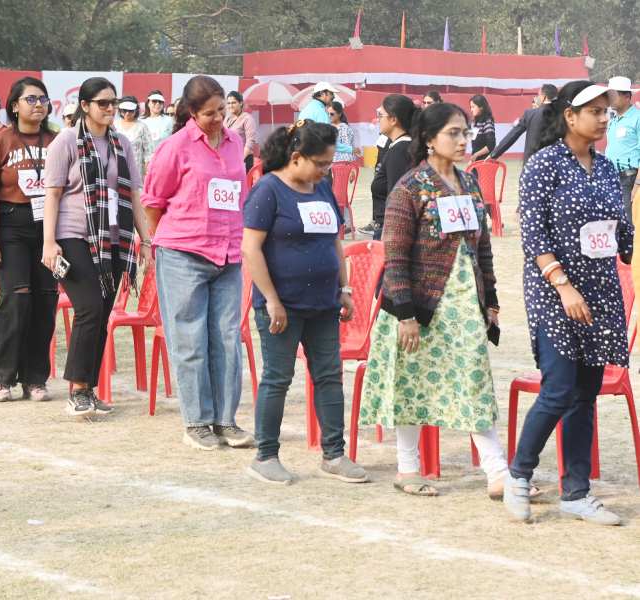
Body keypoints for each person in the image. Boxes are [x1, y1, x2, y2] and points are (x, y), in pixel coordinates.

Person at [360, 102, 509, 498]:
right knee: (410, 385)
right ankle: (408, 469)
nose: (463, 141)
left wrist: (490, 300)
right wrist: (406, 314)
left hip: (465, 303)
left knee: (474, 379)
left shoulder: (471, 183)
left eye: (466, 133)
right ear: (429, 139)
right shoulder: (410, 187)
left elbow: (483, 250)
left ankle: (498, 473)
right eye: (454, 134)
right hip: (420, 307)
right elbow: (394, 254)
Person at [505, 81, 633, 526]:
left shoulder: (607, 166)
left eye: (606, 111)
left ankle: (577, 492)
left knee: (585, 395)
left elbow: (619, 232)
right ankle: (518, 475)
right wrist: (562, 284)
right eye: (594, 111)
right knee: (558, 389)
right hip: (554, 292)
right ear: (569, 116)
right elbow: (534, 235)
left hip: (600, 292)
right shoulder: (543, 165)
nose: (603, 118)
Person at [242, 119, 366, 484]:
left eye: (329, 164)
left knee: (329, 376)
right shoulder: (268, 191)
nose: (326, 171)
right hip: (282, 305)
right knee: (278, 378)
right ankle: (265, 456)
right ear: (296, 157)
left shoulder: (322, 188)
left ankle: (334, 454)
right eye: (321, 163)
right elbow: (252, 248)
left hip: (323, 303)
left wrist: (345, 290)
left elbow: (334, 242)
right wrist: (272, 300)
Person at [143, 75, 254, 450]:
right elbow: (153, 201)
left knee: (227, 339)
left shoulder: (236, 142)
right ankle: (197, 421)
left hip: (228, 254)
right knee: (189, 340)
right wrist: (169, 241)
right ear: (192, 113)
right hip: (183, 254)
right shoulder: (175, 147)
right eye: (209, 113)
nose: (219, 118)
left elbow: (239, 192)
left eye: (223, 110)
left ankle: (226, 419)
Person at [42, 77, 152, 416]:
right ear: (85, 106)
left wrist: (145, 240)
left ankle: (89, 387)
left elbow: (133, 193)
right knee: (89, 308)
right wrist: (48, 242)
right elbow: (53, 193)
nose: (110, 109)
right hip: (74, 235)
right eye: (102, 103)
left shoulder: (122, 143)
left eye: (113, 103)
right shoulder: (66, 141)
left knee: (103, 313)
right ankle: (78, 388)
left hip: (114, 241)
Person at [0, 77, 60, 401]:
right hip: (11, 227)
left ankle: (35, 378)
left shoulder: (57, 141)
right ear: (14, 105)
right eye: (30, 99)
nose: (38, 104)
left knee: (45, 300)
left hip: (49, 229)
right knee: (17, 299)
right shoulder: (0, 142)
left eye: (43, 99)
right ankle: (1, 377)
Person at [358, 94, 416, 240]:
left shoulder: (399, 151)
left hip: (391, 231)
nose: (378, 119)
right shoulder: (399, 146)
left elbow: (396, 197)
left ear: (393, 119)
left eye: (380, 115)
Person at [490, 84, 557, 165]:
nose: (537, 98)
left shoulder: (530, 114)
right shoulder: (564, 114)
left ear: (543, 97)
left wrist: (494, 154)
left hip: (532, 162)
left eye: (538, 95)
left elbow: (513, 135)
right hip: (555, 162)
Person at [604, 76, 640, 224]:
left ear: (627, 96)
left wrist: (637, 185)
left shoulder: (637, 118)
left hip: (629, 179)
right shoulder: (613, 121)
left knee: (629, 223)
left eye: (614, 95)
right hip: (612, 178)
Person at [114, 96, 154, 177]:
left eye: (130, 111)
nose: (127, 113)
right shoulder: (114, 125)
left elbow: (149, 151)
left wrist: (147, 168)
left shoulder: (142, 127)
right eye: (124, 110)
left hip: (136, 171)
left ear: (136, 110)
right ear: (120, 110)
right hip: (116, 169)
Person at [224, 91, 258, 172]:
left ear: (241, 103)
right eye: (228, 103)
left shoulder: (247, 119)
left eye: (233, 103)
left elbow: (250, 142)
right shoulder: (227, 119)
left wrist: (240, 160)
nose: (230, 106)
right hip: (229, 160)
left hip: (243, 159)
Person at [469, 94, 496, 162]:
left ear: (481, 107)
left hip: (484, 163)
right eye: (470, 107)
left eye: (473, 107)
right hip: (476, 162)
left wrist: (476, 155)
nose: (471, 110)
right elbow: (470, 139)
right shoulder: (476, 123)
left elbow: (491, 145)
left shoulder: (487, 122)